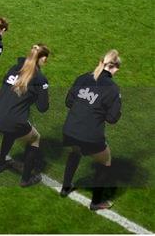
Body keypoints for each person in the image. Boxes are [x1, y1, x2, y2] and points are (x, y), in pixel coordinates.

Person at [60, 50, 122, 211]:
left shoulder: (83, 77)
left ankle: (65, 187)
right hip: (90, 135)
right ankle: (96, 203)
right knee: (105, 161)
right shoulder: (113, 89)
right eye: (117, 68)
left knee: (75, 151)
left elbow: (68, 102)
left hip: (69, 130)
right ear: (113, 67)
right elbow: (112, 119)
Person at [0, 44, 50, 187]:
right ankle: (26, 179)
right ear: (43, 58)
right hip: (12, 120)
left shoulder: (13, 68)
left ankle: (0, 163)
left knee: (9, 132)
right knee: (35, 139)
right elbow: (43, 107)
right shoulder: (40, 79)